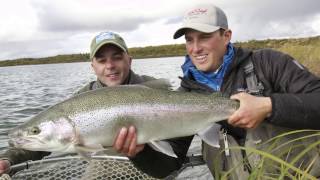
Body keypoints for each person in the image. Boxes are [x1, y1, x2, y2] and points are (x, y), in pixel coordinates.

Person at [113, 3, 320, 179]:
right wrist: (139, 153)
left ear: (226, 35)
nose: (195, 48)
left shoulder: (268, 63)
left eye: (204, 37)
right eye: (189, 39)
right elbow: (169, 165)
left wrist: (269, 106)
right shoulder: (184, 95)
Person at [0, 31, 153, 175]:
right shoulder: (80, 99)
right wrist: (8, 159)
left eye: (117, 57)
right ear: (93, 67)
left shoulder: (152, 87)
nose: (110, 65)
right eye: (101, 60)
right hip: (105, 163)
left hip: (155, 160)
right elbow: (46, 139)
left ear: (130, 60)